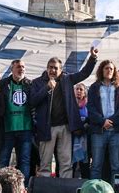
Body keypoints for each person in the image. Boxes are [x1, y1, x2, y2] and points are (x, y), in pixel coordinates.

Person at [30, 46, 98, 178]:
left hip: (65, 127)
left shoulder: (67, 80)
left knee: (66, 163)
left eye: (55, 68)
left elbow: (84, 73)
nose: (52, 70)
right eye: (50, 67)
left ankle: (65, 188)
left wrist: (92, 58)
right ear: (46, 68)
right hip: (46, 128)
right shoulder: (37, 83)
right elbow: (32, 101)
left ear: (61, 70)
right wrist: (46, 88)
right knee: (45, 164)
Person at [87, 60, 119, 182]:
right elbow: (91, 108)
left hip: (116, 131)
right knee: (96, 165)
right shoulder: (94, 87)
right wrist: (102, 121)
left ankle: (117, 190)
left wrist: (112, 121)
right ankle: (94, 190)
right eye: (106, 68)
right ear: (101, 70)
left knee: (116, 165)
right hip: (99, 131)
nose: (109, 71)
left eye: (111, 69)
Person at [0, 60, 33, 185]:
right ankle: (0, 187)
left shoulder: (30, 84)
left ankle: (23, 187)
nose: (21, 69)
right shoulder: (2, 84)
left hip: (26, 128)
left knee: (24, 160)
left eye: (23, 67)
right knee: (3, 160)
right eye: (18, 67)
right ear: (12, 69)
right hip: (7, 128)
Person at [72, 83, 90, 179]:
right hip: (71, 138)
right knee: (72, 164)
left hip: (85, 139)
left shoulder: (88, 105)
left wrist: (83, 128)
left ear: (84, 93)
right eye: (77, 89)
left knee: (84, 165)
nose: (79, 91)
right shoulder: (70, 105)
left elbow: (91, 120)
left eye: (81, 90)